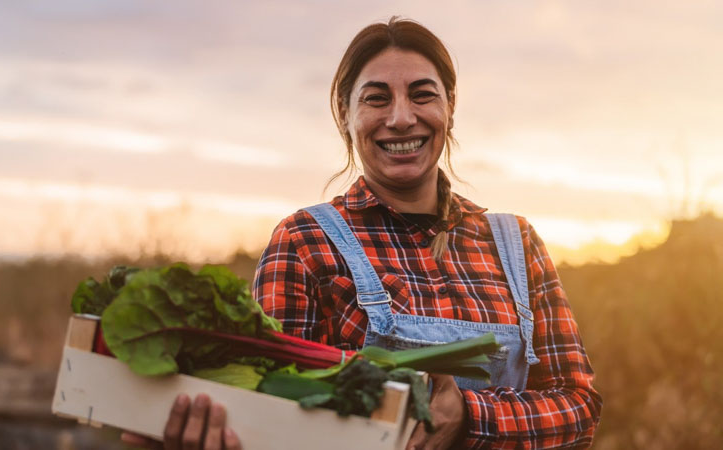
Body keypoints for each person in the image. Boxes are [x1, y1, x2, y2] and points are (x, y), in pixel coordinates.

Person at [123, 16, 602, 450]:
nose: (400, 118)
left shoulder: (516, 243)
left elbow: (580, 407)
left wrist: (471, 416)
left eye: (422, 94)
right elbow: (273, 418)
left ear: (450, 107)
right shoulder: (305, 243)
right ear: (346, 113)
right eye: (377, 98)